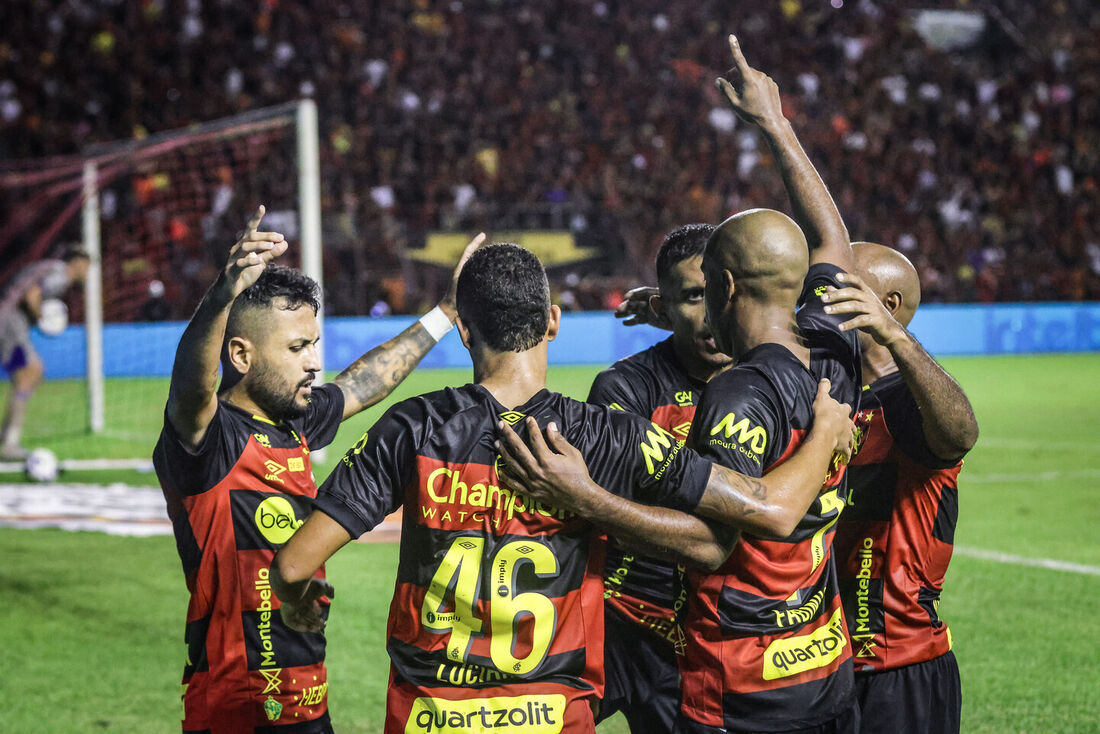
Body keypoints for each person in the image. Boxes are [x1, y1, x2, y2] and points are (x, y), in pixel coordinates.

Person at [269, 243, 858, 733]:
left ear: (465, 331)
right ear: (553, 322)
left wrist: (301, 607)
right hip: (553, 716)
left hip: (429, 718)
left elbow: (293, 567)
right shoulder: (605, 435)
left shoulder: (414, 427)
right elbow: (716, 540)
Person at [499, 35, 864, 733]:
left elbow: (732, 533)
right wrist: (776, 126)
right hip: (821, 669)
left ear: (725, 286)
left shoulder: (737, 395)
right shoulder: (834, 339)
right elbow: (833, 246)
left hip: (737, 681)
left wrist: (583, 496)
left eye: (707, 294)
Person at [152, 205, 485, 734]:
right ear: (240, 354)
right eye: (296, 347)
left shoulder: (295, 423)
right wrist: (222, 294)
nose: (313, 362)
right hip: (238, 706)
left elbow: (365, 382)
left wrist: (446, 311)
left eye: (314, 345)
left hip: (306, 697)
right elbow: (192, 388)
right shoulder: (209, 443)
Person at [826, 243, 978, 734]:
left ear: (886, 304)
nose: (822, 296)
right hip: (821, 667)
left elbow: (961, 435)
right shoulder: (835, 399)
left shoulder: (909, 402)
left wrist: (895, 338)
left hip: (898, 666)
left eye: (840, 283)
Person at [587, 223, 731, 732]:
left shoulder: (772, 381)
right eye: (693, 297)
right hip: (619, 617)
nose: (711, 314)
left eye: (719, 292)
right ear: (662, 310)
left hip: (710, 632)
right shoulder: (625, 387)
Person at [0, 246, 91, 459]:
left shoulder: (49, 267)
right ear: (77, 262)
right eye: (87, 266)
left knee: (29, 375)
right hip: (10, 323)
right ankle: (9, 444)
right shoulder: (60, 274)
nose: (88, 272)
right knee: (31, 371)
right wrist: (43, 317)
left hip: (9, 321)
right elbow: (32, 294)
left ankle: (7, 436)